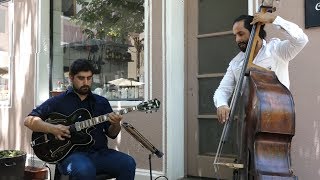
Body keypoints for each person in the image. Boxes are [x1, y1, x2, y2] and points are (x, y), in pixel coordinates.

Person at [24, 59, 136, 180]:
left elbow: (112, 134)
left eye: (89, 78)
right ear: (71, 78)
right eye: (81, 78)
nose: (86, 82)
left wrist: (116, 124)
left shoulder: (101, 102)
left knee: (128, 163)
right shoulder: (58, 101)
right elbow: (29, 120)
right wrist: (53, 129)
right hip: (71, 156)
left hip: (100, 153)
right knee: (85, 170)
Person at [213, 12, 308, 124]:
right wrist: (222, 104)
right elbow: (223, 89)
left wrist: (274, 19)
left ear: (255, 31)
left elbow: (301, 40)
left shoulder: (276, 50)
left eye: (241, 34)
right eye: (235, 35)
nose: (237, 40)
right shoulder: (236, 63)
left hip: (278, 119)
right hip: (250, 122)